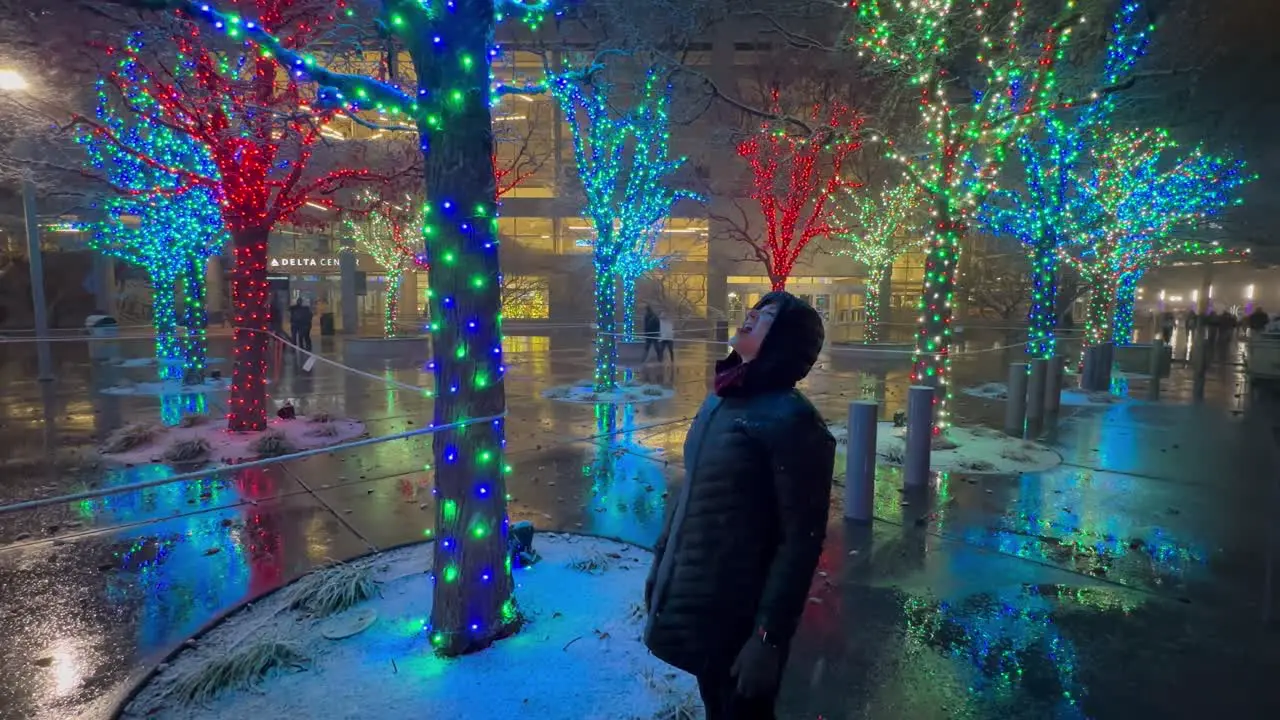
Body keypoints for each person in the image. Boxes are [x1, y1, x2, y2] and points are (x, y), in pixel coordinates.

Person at [643, 291, 835, 720]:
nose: (749, 318)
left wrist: (768, 640)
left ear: (785, 340)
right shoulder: (722, 400)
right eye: (753, 310)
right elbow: (690, 490)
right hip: (699, 599)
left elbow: (799, 541)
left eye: (765, 316)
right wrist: (662, 564)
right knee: (715, 701)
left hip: (741, 615)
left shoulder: (793, 421)